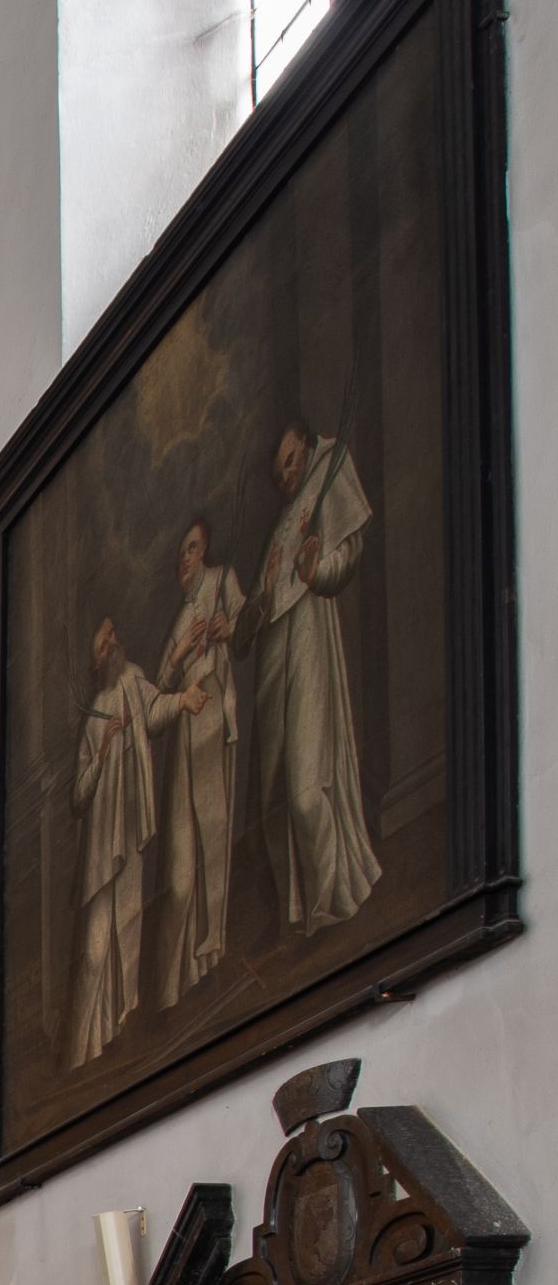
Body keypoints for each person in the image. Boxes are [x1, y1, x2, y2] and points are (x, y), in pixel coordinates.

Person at [244, 423, 383, 932]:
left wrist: (313, 572)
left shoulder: (328, 474)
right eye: (278, 473)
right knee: (274, 799)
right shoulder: (279, 528)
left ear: (305, 446)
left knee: (306, 793)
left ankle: (328, 898)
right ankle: (299, 910)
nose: (286, 477)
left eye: (290, 461)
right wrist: (262, 596)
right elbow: (248, 624)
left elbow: (345, 559)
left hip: (307, 634)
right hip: (271, 658)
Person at [68, 616, 197, 1066]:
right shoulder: (93, 718)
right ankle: (84, 1044)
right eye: (105, 643)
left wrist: (183, 700)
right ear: (97, 661)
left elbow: (156, 710)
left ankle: (120, 1024)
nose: (114, 645)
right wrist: (103, 750)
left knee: (129, 923)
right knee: (93, 949)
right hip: (101, 844)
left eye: (113, 637)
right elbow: (79, 795)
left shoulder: (134, 680)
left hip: (129, 829)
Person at [152, 517, 245, 1007]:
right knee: (179, 866)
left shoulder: (223, 580)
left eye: (191, 549)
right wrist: (180, 652)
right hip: (185, 731)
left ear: (205, 549)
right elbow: (161, 687)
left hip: (210, 714)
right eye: (181, 552)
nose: (184, 559)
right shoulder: (180, 617)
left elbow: (245, 623)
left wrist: (229, 628)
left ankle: (211, 950)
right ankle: (176, 980)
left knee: (213, 832)